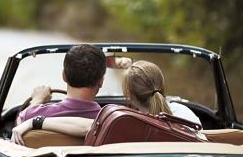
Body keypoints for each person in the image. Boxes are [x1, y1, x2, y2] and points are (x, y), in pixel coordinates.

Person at [12, 60, 201, 145]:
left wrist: (35, 121)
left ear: (129, 95)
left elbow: (91, 127)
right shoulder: (186, 116)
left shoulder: (126, 122)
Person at [16, 44, 132, 125]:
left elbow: (20, 122)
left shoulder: (32, 117)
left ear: (64, 76)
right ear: (101, 82)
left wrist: (38, 99)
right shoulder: (111, 121)